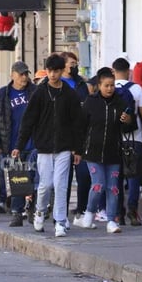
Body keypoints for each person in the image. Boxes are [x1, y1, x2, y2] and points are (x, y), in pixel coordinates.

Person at [12, 53, 83, 237]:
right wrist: (18, 145)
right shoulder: (39, 93)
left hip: (64, 147)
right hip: (43, 146)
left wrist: (78, 148)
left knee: (60, 184)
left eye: (56, 71)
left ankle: (60, 221)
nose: (52, 75)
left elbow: (78, 123)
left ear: (61, 71)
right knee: (45, 184)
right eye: (50, 71)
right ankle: (40, 212)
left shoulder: (69, 95)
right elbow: (28, 121)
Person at [73, 67, 132, 233]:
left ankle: (112, 221)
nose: (110, 88)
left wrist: (128, 120)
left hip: (114, 153)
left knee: (113, 188)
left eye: (112, 85)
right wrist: (78, 150)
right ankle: (89, 214)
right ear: (99, 85)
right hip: (92, 153)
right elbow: (80, 127)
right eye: (106, 85)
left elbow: (127, 128)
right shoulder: (91, 102)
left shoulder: (120, 103)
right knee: (98, 185)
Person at [0, 61, 37, 227]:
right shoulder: (2, 95)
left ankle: (32, 208)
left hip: (33, 144)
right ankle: (17, 213)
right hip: (11, 144)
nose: (24, 77)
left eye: (26, 74)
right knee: (17, 180)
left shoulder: (35, 92)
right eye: (21, 74)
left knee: (34, 178)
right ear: (12, 75)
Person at [112, 57, 142, 226]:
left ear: (113, 71)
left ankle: (118, 213)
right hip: (135, 138)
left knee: (117, 176)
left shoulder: (109, 88)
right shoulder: (137, 89)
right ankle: (133, 212)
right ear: (129, 72)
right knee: (133, 176)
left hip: (115, 139)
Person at [61, 52, 92, 221]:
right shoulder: (57, 83)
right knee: (64, 178)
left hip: (81, 134)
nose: (74, 66)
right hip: (63, 136)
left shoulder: (81, 83)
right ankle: (62, 213)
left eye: (76, 62)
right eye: (72, 63)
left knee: (84, 175)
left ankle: (82, 209)